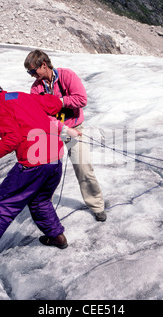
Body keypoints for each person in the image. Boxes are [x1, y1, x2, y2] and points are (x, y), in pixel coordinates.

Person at [0, 79, 80, 264]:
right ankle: (57, 237)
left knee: (3, 203)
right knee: (40, 200)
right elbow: (53, 103)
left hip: (34, 161)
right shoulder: (22, 96)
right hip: (55, 157)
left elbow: (12, 138)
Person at [24, 50, 106, 222]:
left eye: (33, 71)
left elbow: (82, 99)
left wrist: (58, 102)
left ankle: (97, 206)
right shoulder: (36, 88)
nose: (32, 76)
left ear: (44, 65)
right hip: (52, 131)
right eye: (29, 73)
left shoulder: (67, 76)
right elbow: (39, 114)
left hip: (74, 128)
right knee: (46, 171)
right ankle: (43, 207)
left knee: (83, 167)